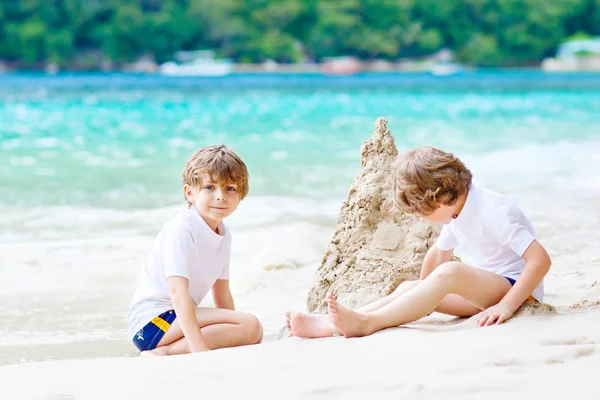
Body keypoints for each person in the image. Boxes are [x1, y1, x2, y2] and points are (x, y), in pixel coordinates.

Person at [286, 146, 551, 338]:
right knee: (410, 287)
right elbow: (438, 253)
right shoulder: (458, 211)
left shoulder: (493, 210)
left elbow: (540, 260)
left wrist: (507, 305)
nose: (422, 220)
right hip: (487, 294)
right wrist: (422, 294)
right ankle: (330, 325)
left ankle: (368, 323)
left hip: (518, 293)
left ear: (436, 200)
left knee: (451, 272)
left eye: (420, 213)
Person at [127, 145, 263, 355]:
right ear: (189, 192)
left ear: (240, 196)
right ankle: (165, 352)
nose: (220, 196)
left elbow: (222, 294)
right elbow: (177, 293)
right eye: (209, 187)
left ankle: (172, 349)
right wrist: (201, 352)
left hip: (174, 320)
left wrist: (237, 335)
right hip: (152, 323)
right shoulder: (182, 229)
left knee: (251, 331)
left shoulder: (223, 234)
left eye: (230, 188)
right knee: (250, 326)